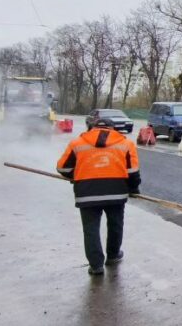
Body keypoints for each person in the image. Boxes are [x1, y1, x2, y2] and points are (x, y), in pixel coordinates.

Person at [56, 118, 140, 276]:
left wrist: (77, 175)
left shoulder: (77, 143)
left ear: (92, 128)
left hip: (87, 192)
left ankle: (96, 266)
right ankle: (113, 255)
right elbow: (133, 172)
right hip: (116, 191)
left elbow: (62, 167)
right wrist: (134, 189)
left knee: (90, 229)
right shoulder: (126, 144)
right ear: (113, 128)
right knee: (115, 225)